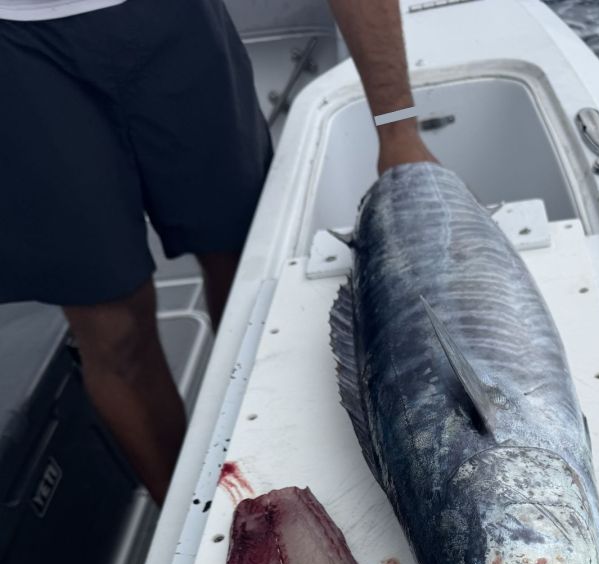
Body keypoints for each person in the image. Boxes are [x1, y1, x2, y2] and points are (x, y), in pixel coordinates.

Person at [0, 0, 436, 503]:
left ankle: (277, 473)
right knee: (113, 332)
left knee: (249, 276)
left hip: (174, 21)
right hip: (18, 47)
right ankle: (194, 513)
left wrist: (398, 129)